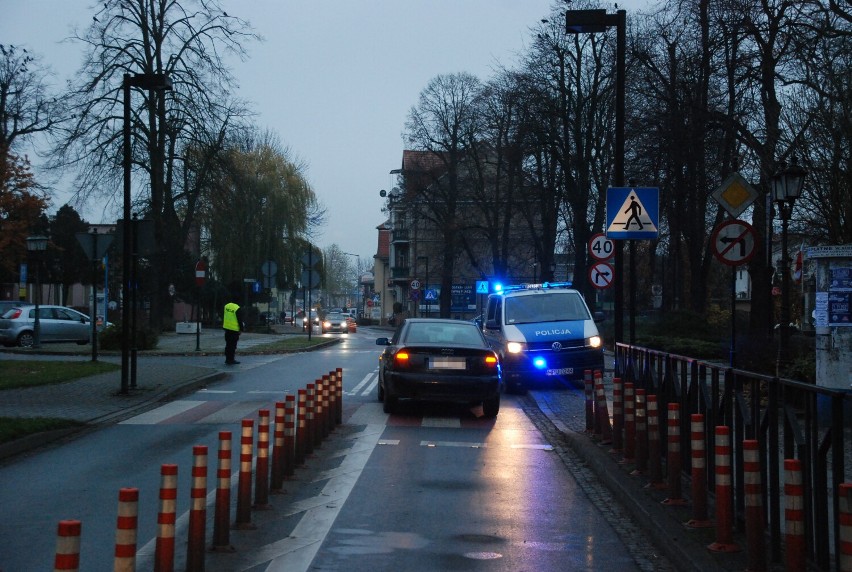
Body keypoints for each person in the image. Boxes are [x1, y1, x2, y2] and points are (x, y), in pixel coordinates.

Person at [222, 297, 244, 365]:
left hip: (227, 328)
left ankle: (227, 359)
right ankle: (231, 359)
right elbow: (239, 319)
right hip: (234, 330)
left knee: (228, 344)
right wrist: (241, 329)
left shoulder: (226, 306)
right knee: (233, 345)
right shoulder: (237, 308)